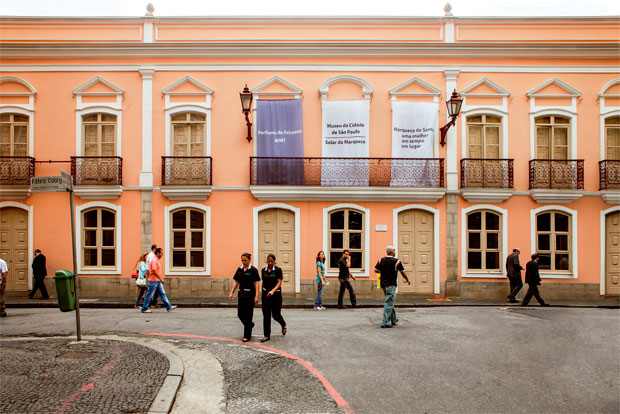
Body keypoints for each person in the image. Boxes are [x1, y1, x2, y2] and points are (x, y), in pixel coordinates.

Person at [374, 246, 410, 328]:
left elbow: (375, 270)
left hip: (383, 284)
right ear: (392, 251)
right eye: (394, 250)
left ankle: (394, 320)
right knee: (389, 303)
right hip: (391, 284)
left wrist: (383, 271)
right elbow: (402, 272)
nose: (395, 251)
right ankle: (385, 322)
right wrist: (407, 279)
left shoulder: (381, 260)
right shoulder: (396, 261)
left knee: (390, 301)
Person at [229, 253, 260, 342]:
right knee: (240, 314)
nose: (244, 262)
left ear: (249, 260)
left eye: (245, 260)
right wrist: (231, 292)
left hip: (250, 295)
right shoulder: (239, 269)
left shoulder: (253, 270)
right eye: (242, 260)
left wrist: (257, 296)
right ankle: (249, 325)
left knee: (248, 315)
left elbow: (257, 283)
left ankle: (247, 336)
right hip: (241, 294)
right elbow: (236, 281)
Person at [259, 253, 287, 342]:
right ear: (266, 261)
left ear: (274, 261)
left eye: (272, 261)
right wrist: (262, 293)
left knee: (276, 315)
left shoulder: (278, 270)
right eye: (269, 261)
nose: (270, 263)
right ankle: (266, 335)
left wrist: (272, 291)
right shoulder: (263, 270)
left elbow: (279, 282)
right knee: (266, 315)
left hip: (276, 295)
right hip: (266, 296)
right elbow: (263, 282)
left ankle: (283, 324)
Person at [141, 248, 177, 313]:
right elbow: (154, 271)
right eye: (161, 253)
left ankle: (169, 306)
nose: (162, 254)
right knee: (149, 295)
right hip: (153, 280)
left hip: (157, 280)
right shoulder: (154, 260)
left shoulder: (157, 260)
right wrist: (161, 279)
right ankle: (144, 308)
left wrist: (159, 279)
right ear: (158, 253)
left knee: (162, 294)